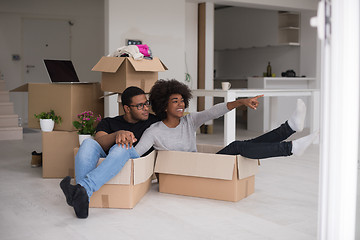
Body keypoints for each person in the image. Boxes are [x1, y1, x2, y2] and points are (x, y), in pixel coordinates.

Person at [61, 79, 318, 219]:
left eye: (183, 100)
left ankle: (289, 130)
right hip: (188, 171)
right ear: (164, 105)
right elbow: (137, 153)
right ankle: (289, 146)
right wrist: (122, 145)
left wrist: (240, 102)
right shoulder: (153, 130)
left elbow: (214, 111)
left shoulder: (189, 120)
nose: (182, 104)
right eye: (175, 101)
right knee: (240, 146)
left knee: (241, 146)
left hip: (199, 164)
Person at [60, 86, 159, 218]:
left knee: (123, 146)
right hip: (109, 158)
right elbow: (99, 141)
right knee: (88, 143)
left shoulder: (153, 121)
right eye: (140, 105)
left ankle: (82, 189)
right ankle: (81, 200)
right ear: (127, 108)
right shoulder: (109, 122)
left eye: (146, 103)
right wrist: (117, 134)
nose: (146, 108)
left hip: (134, 157)